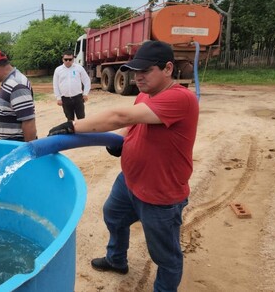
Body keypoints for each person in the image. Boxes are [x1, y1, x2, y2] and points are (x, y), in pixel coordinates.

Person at [48, 40, 198, 292]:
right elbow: (132, 122)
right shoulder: (145, 94)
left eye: (145, 71)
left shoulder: (180, 99)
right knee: (114, 216)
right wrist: (123, 138)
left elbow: (121, 115)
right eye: (135, 71)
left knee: (165, 255)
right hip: (130, 180)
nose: (137, 76)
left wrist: (73, 126)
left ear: (168, 69)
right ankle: (116, 259)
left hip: (160, 193)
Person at [0, 49, 37, 142]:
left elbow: (28, 122)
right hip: (12, 142)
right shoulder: (9, 81)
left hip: (18, 144)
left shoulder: (17, 85)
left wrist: (29, 151)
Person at [52, 51, 91, 121]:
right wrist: (58, 98)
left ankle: (82, 132)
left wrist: (85, 94)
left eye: (70, 59)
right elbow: (55, 85)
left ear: (73, 59)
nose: (68, 61)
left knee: (81, 119)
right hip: (65, 99)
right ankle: (72, 131)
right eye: (66, 59)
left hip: (78, 98)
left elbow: (87, 81)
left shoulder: (79, 68)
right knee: (70, 120)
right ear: (62, 59)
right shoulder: (58, 70)